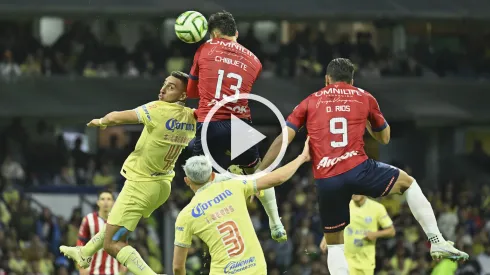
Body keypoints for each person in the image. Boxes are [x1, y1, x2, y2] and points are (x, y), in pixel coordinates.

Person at [258, 58, 469, 275]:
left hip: (326, 179)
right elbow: (385, 138)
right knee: (409, 183)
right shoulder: (364, 97)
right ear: (351, 80)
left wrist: (261, 171)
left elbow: (283, 139)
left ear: (326, 79)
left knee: (334, 245)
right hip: (359, 169)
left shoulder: (310, 101)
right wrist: (368, 121)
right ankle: (436, 240)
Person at [60, 71, 196, 275]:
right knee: (116, 222)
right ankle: (85, 252)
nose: (163, 89)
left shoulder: (158, 109)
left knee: (112, 243)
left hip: (141, 184)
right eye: (164, 84)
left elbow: (118, 117)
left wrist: (101, 121)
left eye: (171, 87)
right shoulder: (192, 117)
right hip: (162, 186)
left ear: (183, 95)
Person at [186, 11, 285, 242]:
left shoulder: (204, 49)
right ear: (236, 33)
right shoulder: (255, 61)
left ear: (213, 33)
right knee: (256, 171)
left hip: (210, 123)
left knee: (204, 178)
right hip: (240, 122)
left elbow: (191, 93)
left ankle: (208, 231)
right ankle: (276, 222)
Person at [172, 138, 311, 275]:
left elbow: (178, 267)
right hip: (255, 268)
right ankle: (276, 223)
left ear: (187, 180)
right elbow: (277, 178)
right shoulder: (235, 185)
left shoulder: (185, 216)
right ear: (213, 175)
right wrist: (302, 157)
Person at [320, 195, 396, 275]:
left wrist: (375, 234)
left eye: (358, 189)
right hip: (345, 259)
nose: (355, 193)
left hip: (366, 262)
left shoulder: (377, 208)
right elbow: (335, 224)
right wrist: (325, 237)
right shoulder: (344, 205)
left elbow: (391, 231)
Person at [77, 189, 125, 275]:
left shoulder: (120, 222)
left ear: (113, 202)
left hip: (113, 271)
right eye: (102, 199)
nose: (105, 202)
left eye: (109, 199)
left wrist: (125, 263)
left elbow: (123, 245)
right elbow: (80, 243)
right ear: (98, 202)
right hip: (92, 271)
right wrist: (81, 266)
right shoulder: (88, 219)